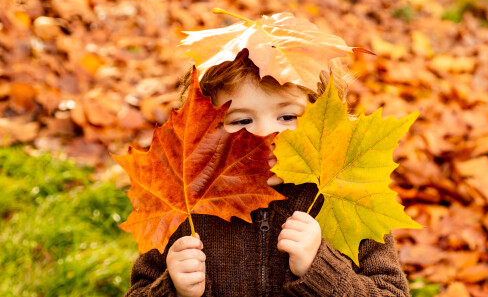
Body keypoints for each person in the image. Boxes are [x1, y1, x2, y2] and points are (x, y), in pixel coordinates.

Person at [124, 48, 411, 297]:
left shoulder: (346, 197)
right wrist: (173, 288)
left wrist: (320, 267)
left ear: (325, 122)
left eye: (287, 116)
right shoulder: (186, 205)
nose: (264, 134)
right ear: (204, 129)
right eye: (242, 120)